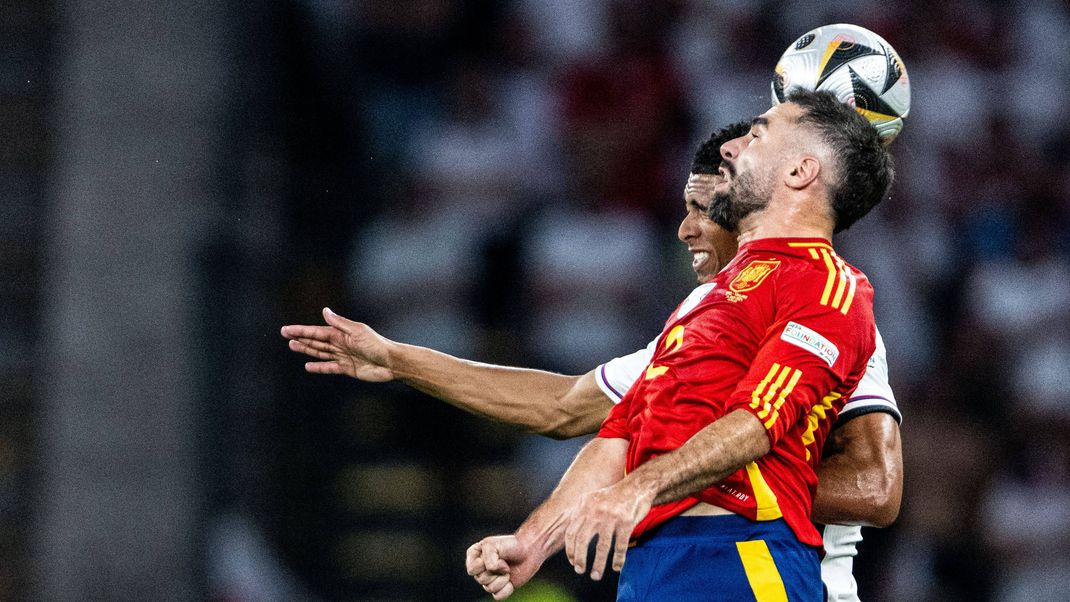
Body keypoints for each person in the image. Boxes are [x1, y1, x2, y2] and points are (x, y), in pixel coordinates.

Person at [282, 113, 901, 600]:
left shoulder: (826, 290)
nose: (686, 229)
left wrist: (658, 485)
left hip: (748, 557)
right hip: (657, 563)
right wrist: (536, 538)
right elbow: (593, 421)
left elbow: (867, 481)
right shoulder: (698, 315)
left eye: (702, 209)